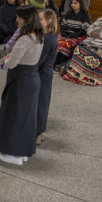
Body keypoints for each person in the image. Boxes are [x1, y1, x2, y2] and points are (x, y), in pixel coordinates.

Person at [0, 6, 44, 166]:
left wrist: (5, 60)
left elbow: (13, 63)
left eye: (19, 17)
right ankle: (22, 152)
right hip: (32, 79)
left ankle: (13, 155)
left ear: (26, 19)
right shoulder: (39, 36)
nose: (17, 20)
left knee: (14, 115)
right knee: (26, 118)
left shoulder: (24, 39)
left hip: (21, 81)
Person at [59, 3, 102, 87]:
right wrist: (92, 32)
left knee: (87, 51)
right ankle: (73, 70)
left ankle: (70, 69)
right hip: (92, 43)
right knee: (78, 47)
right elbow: (89, 28)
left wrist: (100, 34)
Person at [37, 10, 59, 145]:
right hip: (43, 73)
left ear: (49, 21)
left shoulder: (49, 39)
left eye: (40, 19)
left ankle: (38, 133)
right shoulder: (46, 36)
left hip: (42, 75)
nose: (37, 21)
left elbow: (38, 60)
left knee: (40, 104)